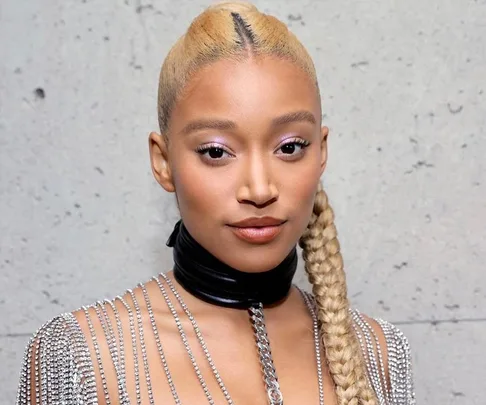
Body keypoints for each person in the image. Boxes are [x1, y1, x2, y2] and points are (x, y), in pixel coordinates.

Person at [15, 2, 415, 405]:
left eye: (290, 146)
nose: (259, 189)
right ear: (163, 161)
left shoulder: (378, 353)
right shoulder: (83, 357)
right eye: (216, 152)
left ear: (322, 151)